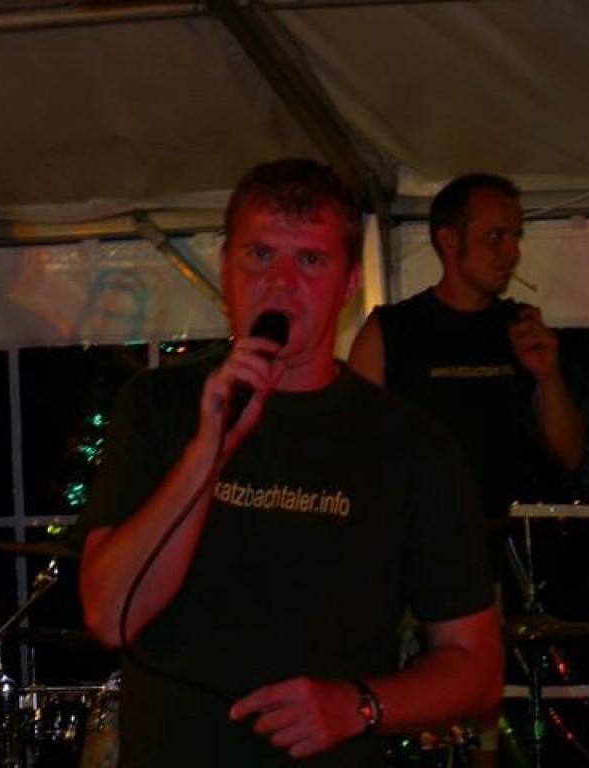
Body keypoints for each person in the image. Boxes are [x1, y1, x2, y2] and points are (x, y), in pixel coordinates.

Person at [74, 158, 503, 767]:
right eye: (259, 255)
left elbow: (476, 670)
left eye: (310, 260)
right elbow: (110, 616)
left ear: (349, 284)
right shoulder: (158, 405)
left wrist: (357, 706)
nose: (280, 283)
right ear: (225, 265)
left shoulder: (410, 444)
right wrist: (207, 451)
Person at [348, 172, 585, 764]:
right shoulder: (391, 329)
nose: (511, 252)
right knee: (397, 719)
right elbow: (347, 455)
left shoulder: (518, 329)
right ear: (448, 241)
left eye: (516, 236)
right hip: (397, 561)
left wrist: (548, 375)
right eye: (495, 236)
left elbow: (569, 453)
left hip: (480, 559)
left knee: (478, 730)